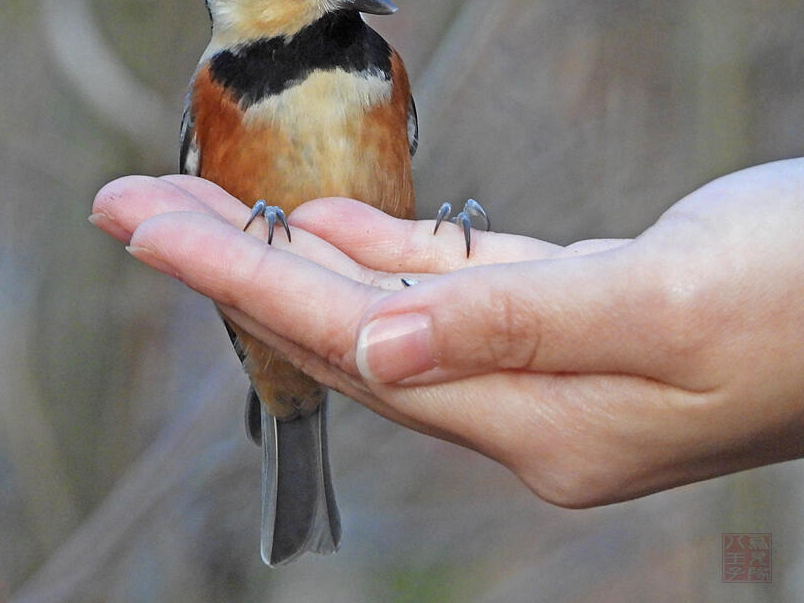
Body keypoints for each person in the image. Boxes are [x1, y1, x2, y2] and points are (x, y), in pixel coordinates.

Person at [90, 158, 804, 508]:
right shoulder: (215, 87)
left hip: (370, 260)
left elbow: (386, 231)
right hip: (301, 259)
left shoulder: (383, 72)